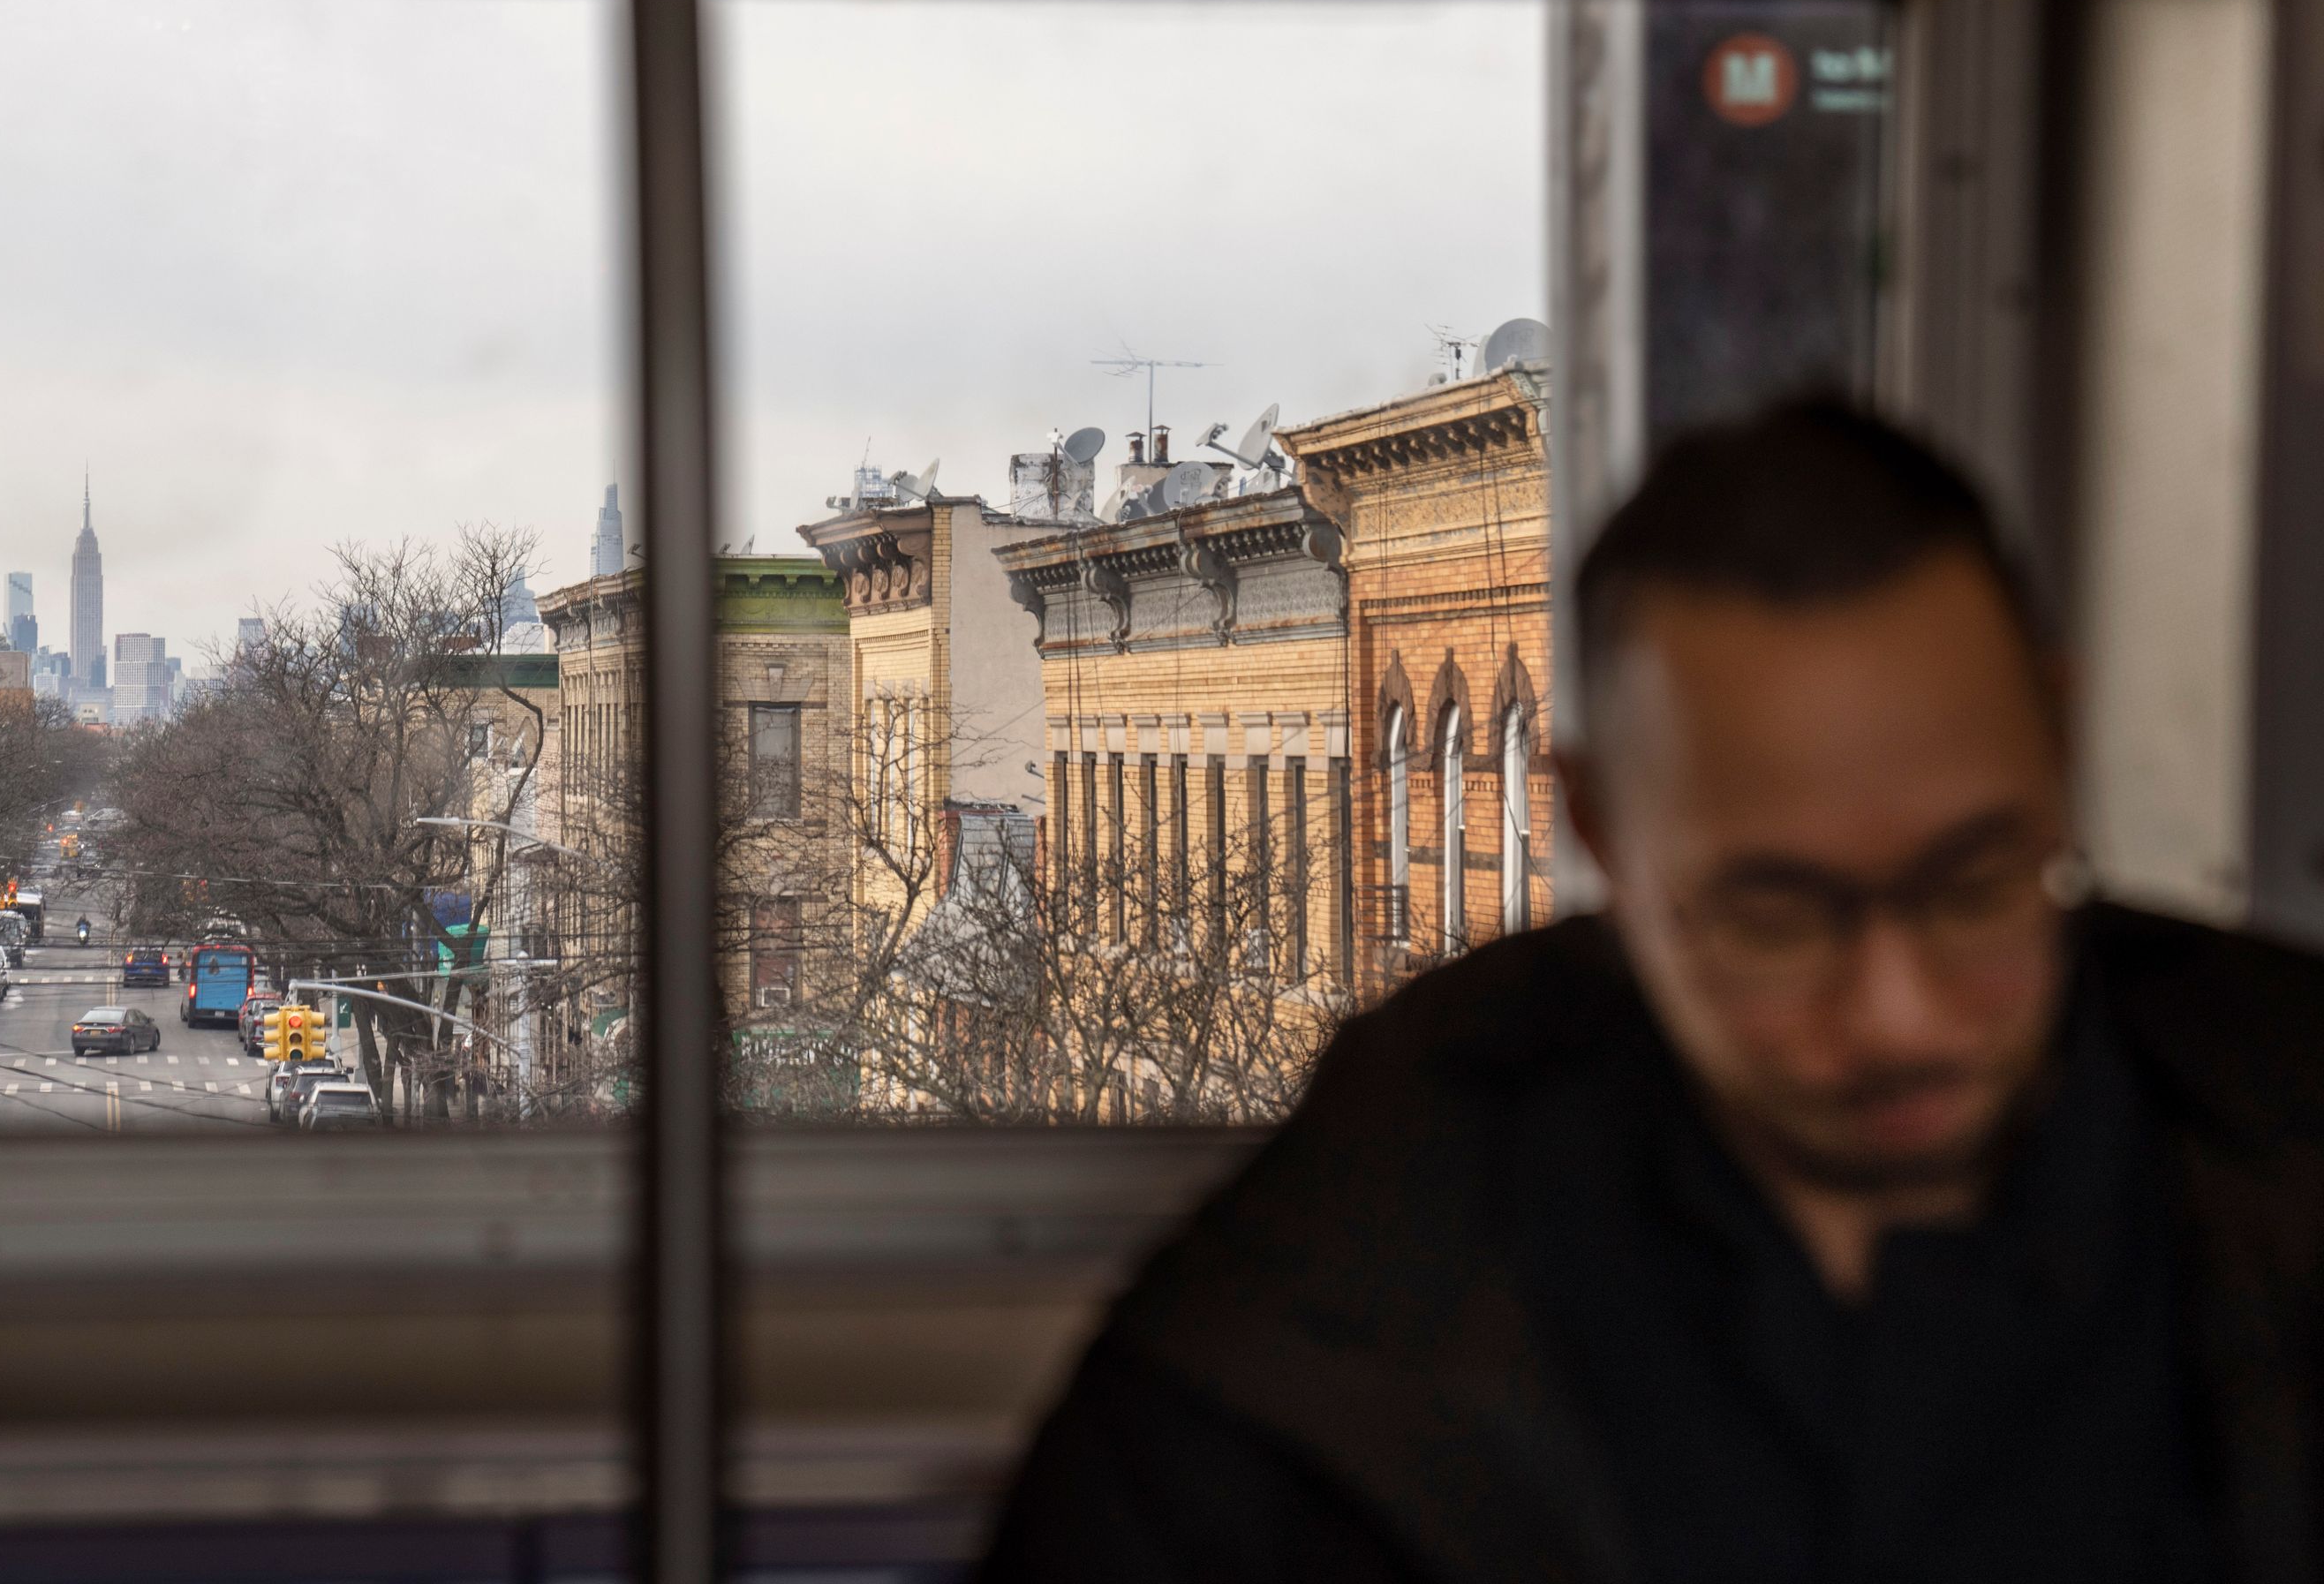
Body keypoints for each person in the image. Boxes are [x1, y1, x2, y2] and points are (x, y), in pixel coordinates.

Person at [981, 400, 2324, 1584]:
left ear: (2061, 743)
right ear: (1605, 834)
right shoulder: (1324, 1329)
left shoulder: (2279, 1145)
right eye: (1776, 917)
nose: (1898, 1013)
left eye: (1973, 881)